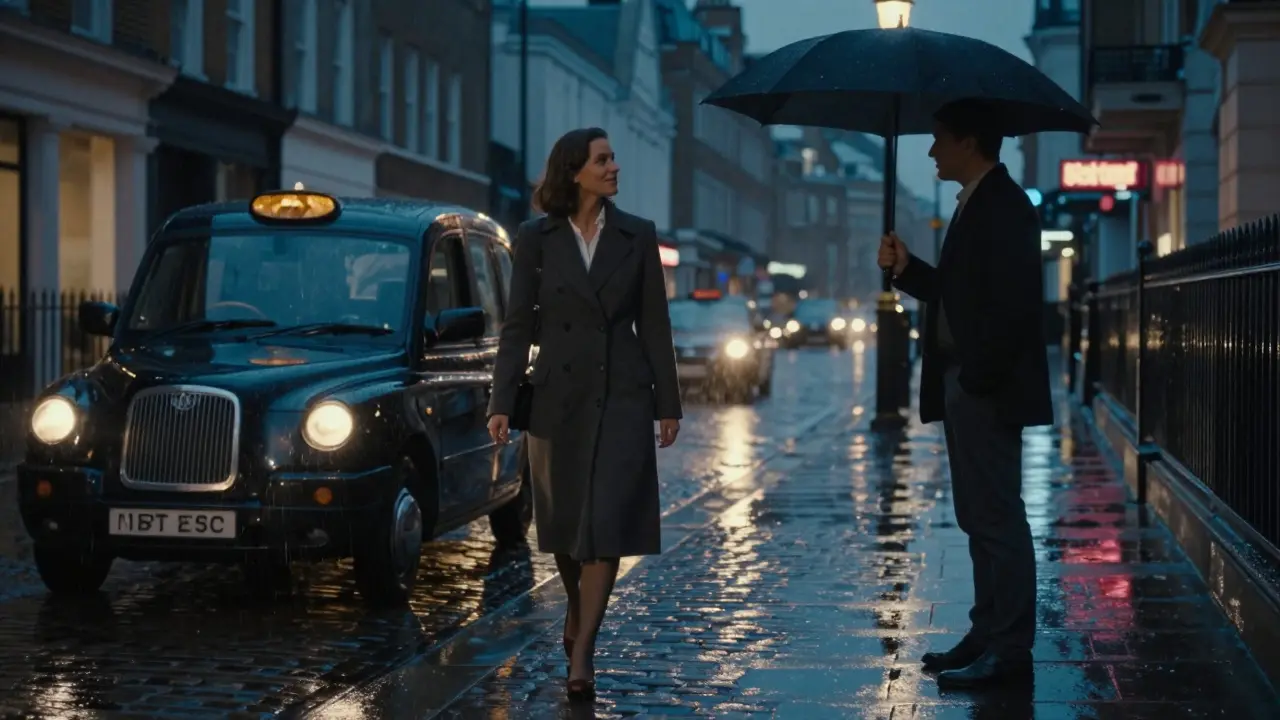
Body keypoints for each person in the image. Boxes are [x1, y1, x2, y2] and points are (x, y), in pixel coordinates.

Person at [487, 127, 683, 701]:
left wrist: (667, 402)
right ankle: (576, 605)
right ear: (575, 170)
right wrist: (502, 400)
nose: (614, 167)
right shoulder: (536, 238)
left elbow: (655, 323)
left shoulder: (637, 235)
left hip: (622, 393)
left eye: (614, 157)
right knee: (569, 527)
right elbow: (517, 324)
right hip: (557, 399)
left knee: (607, 524)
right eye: (603, 159)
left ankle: (583, 652)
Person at [878, 100, 1052, 689]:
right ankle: (987, 632)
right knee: (979, 515)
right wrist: (907, 269)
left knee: (997, 517)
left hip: (985, 388)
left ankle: (1009, 649)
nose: (931, 150)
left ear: (970, 142)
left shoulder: (1004, 206)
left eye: (939, 139)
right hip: (969, 382)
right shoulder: (979, 202)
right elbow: (961, 293)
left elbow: (1013, 306)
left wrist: (976, 377)